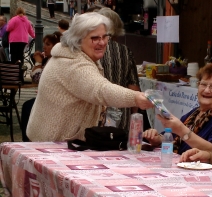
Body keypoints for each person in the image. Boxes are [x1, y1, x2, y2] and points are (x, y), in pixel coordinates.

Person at [26, 12, 153, 142]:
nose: (102, 42)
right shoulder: (72, 63)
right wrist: (135, 97)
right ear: (78, 39)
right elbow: (101, 89)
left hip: (55, 141)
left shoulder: (79, 55)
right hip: (52, 144)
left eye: (105, 36)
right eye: (95, 38)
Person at [143, 63, 212, 156]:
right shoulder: (195, 112)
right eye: (203, 84)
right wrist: (158, 139)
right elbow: (173, 135)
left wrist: (182, 130)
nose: (206, 90)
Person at [97, 7, 140, 130]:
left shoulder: (93, 49)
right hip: (122, 114)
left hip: (97, 113)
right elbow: (134, 87)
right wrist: (135, 115)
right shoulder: (125, 51)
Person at [21, 31, 62, 142]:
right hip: (45, 97)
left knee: (28, 107)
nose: (44, 47)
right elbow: (34, 76)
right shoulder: (48, 59)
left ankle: (28, 140)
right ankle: (28, 139)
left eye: (48, 44)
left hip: (54, 100)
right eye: (44, 43)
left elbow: (39, 78)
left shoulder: (56, 61)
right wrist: (39, 63)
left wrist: (38, 63)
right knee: (27, 106)